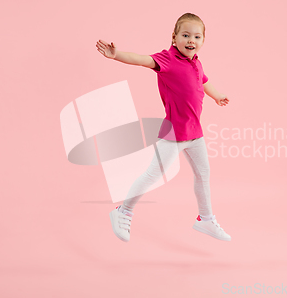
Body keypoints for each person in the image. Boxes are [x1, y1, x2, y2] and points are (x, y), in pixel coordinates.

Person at [96, 13, 231, 243]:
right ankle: (123, 211)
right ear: (174, 37)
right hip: (175, 134)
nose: (191, 40)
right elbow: (141, 59)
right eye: (186, 35)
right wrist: (116, 55)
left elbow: (204, 81)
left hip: (195, 133)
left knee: (203, 173)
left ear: (203, 40)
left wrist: (217, 96)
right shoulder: (167, 59)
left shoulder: (196, 62)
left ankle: (206, 219)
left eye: (197, 36)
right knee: (153, 175)